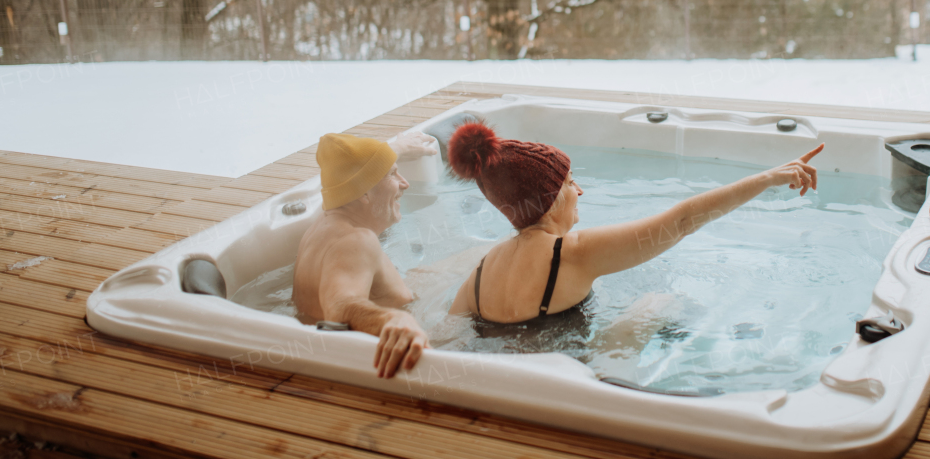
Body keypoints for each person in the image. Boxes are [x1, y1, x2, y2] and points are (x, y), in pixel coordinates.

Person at [447, 121, 822, 324]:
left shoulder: (481, 271)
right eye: (570, 181)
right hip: (572, 392)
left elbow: (447, 334)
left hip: (510, 387)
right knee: (657, 302)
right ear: (549, 199)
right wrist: (767, 178)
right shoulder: (572, 254)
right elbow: (682, 221)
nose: (580, 190)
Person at [293, 130, 438, 378]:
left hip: (314, 353)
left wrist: (396, 148)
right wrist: (393, 320)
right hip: (381, 365)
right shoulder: (357, 241)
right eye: (393, 174)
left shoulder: (323, 225)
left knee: (461, 263)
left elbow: (348, 175)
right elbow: (340, 306)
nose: (405, 183)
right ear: (364, 194)